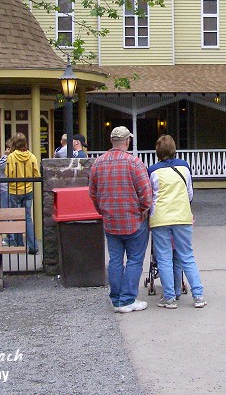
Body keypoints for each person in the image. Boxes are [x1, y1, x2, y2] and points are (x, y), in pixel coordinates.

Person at [88, 126, 152, 313]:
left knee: (115, 260)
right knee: (134, 260)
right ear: (127, 141)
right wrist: (142, 211)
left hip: (110, 221)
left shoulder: (98, 163)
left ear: (112, 141)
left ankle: (116, 299)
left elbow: (92, 193)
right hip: (134, 220)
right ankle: (127, 299)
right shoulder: (134, 163)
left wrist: (103, 211)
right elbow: (146, 195)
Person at [148, 135, 206, 309]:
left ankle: (169, 297)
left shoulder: (152, 170)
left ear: (157, 151)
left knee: (164, 258)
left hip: (160, 217)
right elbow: (190, 194)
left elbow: (150, 196)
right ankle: (198, 295)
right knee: (187, 256)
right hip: (182, 216)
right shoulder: (184, 167)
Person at [4, 133, 40, 254]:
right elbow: (36, 174)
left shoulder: (11, 157)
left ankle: (19, 243)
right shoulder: (32, 156)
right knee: (28, 217)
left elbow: (8, 174)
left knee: (17, 218)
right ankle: (33, 245)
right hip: (28, 190)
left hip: (14, 190)